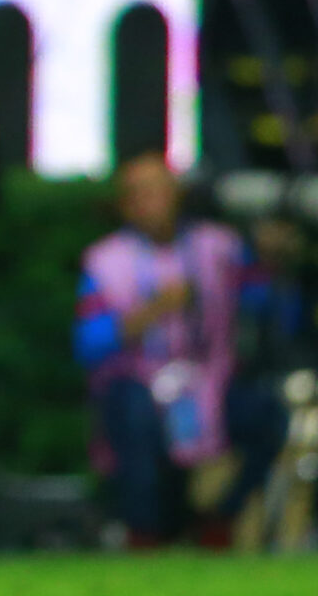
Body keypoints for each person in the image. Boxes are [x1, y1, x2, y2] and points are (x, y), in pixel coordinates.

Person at [75, 157, 245, 545]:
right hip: (139, 376)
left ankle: (219, 518)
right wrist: (153, 311)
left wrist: (273, 262)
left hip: (209, 375)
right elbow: (88, 344)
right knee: (132, 410)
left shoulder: (218, 247)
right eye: (136, 194)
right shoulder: (105, 260)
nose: (147, 203)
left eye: (156, 190)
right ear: (124, 205)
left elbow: (262, 306)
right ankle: (144, 534)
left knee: (264, 411)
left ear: (176, 196)